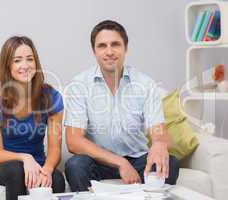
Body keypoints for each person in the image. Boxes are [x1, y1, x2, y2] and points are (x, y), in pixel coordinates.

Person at [64, 20, 179, 192]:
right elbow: (73, 141)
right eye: (102, 46)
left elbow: (158, 131)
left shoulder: (145, 84)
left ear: (126, 48)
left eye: (115, 44)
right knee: (75, 166)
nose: (109, 51)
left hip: (137, 159)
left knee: (170, 163)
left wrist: (159, 144)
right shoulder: (79, 84)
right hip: (99, 161)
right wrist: (120, 162)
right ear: (94, 51)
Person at [0, 36, 65, 200]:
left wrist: (46, 170)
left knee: (56, 178)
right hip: (0, 166)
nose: (25, 66)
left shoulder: (51, 97)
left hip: (39, 165)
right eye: (17, 60)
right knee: (17, 170)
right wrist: (25, 158)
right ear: (7, 66)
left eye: (30, 59)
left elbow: (55, 148)